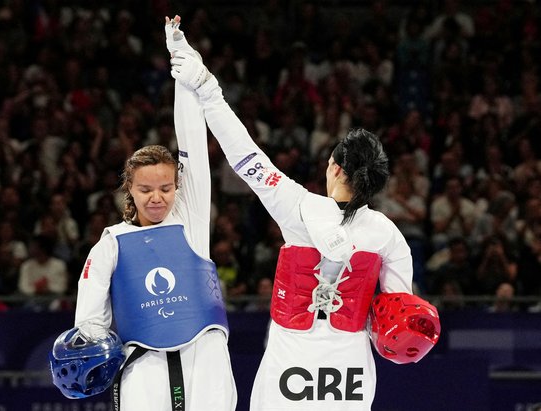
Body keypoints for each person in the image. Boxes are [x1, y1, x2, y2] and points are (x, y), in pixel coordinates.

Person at [169, 23, 440, 411]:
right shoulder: (387, 235)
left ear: (334, 167)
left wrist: (206, 87)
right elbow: (396, 319)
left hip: (289, 368)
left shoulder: (296, 206)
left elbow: (245, 156)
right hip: (349, 376)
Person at [51, 16, 237, 410]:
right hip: (143, 367)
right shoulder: (111, 242)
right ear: (129, 190)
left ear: (177, 187)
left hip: (206, 360)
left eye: (166, 188)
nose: (157, 198)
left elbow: (193, 148)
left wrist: (184, 72)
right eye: (146, 189)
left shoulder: (189, 221)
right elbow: (90, 320)